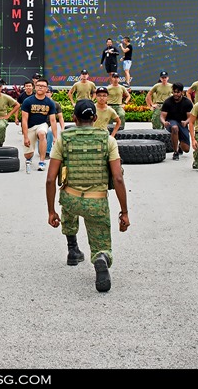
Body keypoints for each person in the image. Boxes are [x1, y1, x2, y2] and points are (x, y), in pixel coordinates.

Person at [45, 99, 130, 293]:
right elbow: (117, 177)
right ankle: (100, 257)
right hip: (97, 201)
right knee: (102, 243)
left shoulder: (63, 139)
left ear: (74, 118)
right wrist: (124, 212)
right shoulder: (107, 140)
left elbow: (51, 180)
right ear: (95, 118)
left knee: (67, 198)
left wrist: (51, 211)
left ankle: (72, 249)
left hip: (71, 199)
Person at [20, 78, 57, 174]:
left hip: (42, 125)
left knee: (42, 134)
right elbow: (24, 120)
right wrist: (25, 137)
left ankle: (42, 161)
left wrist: (55, 137)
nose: (40, 87)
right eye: (38, 85)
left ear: (46, 89)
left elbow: (53, 121)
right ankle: (30, 157)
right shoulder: (28, 101)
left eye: (43, 86)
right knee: (28, 155)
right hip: (30, 127)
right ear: (35, 87)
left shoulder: (50, 103)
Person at [160, 83, 193, 160]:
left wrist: (186, 122)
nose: (176, 94)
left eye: (178, 92)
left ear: (182, 92)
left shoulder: (187, 102)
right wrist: (164, 122)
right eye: (174, 92)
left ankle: (180, 147)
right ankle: (175, 152)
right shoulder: (168, 102)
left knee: (186, 149)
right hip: (171, 122)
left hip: (182, 123)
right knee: (175, 128)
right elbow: (162, 116)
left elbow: (190, 117)